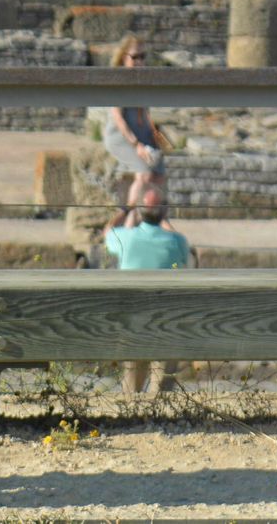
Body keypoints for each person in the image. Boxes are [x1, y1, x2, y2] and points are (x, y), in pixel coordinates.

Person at [104, 187, 190, 392]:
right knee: (163, 383)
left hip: (132, 318)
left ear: (139, 212)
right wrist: (164, 218)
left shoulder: (125, 237)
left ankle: (130, 408)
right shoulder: (177, 241)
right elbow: (179, 243)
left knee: (132, 377)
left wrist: (127, 209)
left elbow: (107, 231)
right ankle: (161, 408)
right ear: (164, 211)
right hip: (167, 320)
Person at [101, 35, 167, 208]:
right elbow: (118, 118)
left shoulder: (144, 81)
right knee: (144, 174)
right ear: (123, 57)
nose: (140, 61)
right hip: (122, 137)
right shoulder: (118, 82)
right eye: (135, 57)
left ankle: (152, 219)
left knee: (160, 175)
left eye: (143, 57)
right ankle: (128, 218)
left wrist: (155, 135)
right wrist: (136, 144)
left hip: (143, 135)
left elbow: (145, 114)